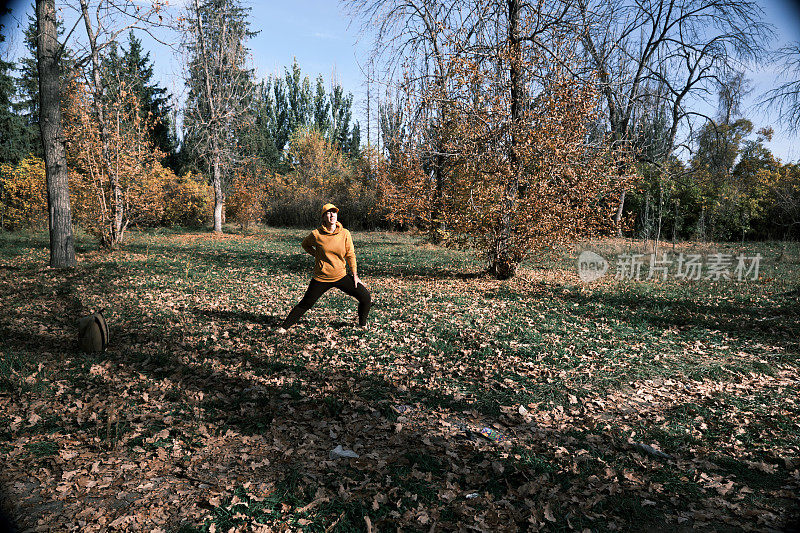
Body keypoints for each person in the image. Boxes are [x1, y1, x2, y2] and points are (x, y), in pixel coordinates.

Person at [277, 203, 371, 332]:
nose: (332, 215)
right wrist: (316, 255)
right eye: (328, 212)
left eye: (334, 212)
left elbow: (350, 254)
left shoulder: (345, 233)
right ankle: (284, 327)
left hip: (341, 276)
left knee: (365, 297)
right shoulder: (316, 234)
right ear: (323, 217)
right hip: (321, 277)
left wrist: (355, 275)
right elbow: (305, 244)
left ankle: (362, 325)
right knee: (306, 304)